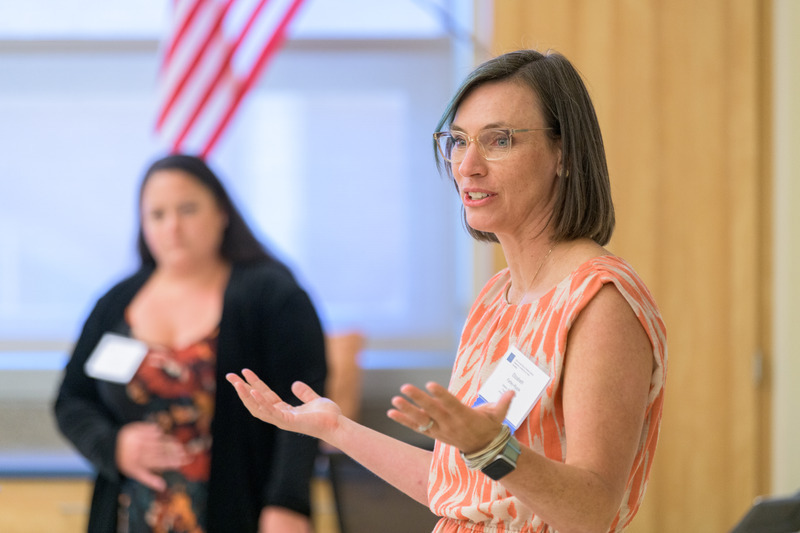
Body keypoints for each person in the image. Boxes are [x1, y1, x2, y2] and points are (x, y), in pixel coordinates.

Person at [227, 49, 667, 533]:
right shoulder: (496, 297)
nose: (468, 165)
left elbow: (590, 510)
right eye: (458, 141)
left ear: (563, 154)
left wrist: (492, 449)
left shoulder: (600, 299)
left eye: (498, 140)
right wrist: (335, 428)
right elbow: (457, 489)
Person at [54, 154, 326, 533]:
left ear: (221, 213)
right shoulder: (116, 302)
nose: (173, 227)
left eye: (188, 209)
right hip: (130, 515)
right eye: (158, 214)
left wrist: (288, 502)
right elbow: (71, 400)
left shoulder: (272, 294)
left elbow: (304, 404)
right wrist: (112, 445)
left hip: (243, 511)